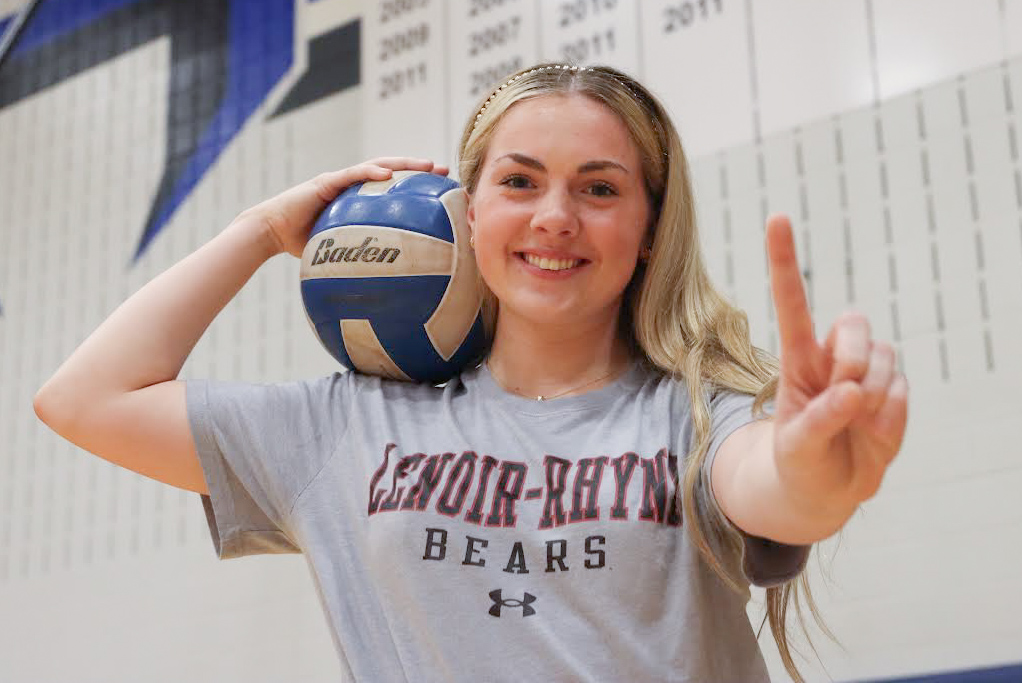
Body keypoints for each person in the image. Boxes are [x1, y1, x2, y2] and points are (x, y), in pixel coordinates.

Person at [34, 63, 908, 682]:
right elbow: (83, 399)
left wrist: (815, 460)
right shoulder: (348, 425)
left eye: (599, 189)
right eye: (520, 182)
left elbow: (779, 486)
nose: (556, 217)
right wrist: (261, 231)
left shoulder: (699, 417)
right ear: (468, 208)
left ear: (647, 231)